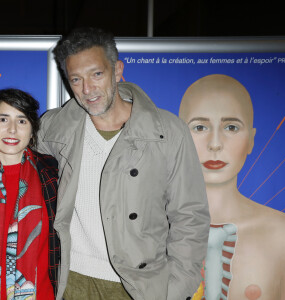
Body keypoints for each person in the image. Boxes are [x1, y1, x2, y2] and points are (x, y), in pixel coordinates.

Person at [37, 27, 210, 300]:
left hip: (138, 286)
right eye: (76, 79)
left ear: (117, 70)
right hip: (69, 282)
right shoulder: (53, 128)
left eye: (97, 74)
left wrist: (175, 289)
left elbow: (189, 216)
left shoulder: (167, 131)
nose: (88, 89)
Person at [179, 74, 285, 300]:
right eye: (200, 127)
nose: (215, 144)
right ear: (179, 136)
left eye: (231, 127)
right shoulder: (151, 229)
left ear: (251, 140)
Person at [0, 88, 60, 299]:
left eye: (22, 121)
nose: (12, 130)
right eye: (3, 119)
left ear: (33, 131)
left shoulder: (52, 173)